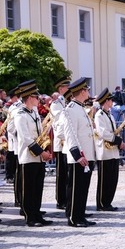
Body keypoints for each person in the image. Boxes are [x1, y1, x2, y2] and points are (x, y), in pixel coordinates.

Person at [13, 82, 53, 227]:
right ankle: (30, 217)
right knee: (29, 189)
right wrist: (41, 152)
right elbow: (25, 138)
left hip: (38, 156)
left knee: (38, 187)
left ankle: (37, 214)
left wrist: (45, 148)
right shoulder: (20, 114)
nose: (38, 99)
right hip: (28, 156)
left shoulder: (34, 112)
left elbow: (39, 133)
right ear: (30, 97)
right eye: (36, 96)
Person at [62, 78, 96, 227]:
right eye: (87, 90)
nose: (88, 92)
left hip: (87, 155)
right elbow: (70, 134)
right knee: (76, 189)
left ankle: (80, 215)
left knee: (83, 189)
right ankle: (73, 217)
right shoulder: (70, 109)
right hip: (79, 157)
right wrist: (78, 155)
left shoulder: (80, 107)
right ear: (82, 91)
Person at [93, 88, 124, 211]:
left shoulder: (109, 114)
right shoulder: (99, 115)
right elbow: (103, 133)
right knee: (104, 180)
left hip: (113, 151)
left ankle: (108, 202)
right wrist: (117, 140)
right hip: (104, 151)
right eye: (110, 100)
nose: (112, 102)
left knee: (112, 179)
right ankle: (101, 203)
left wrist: (118, 141)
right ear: (106, 101)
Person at [50, 78, 70, 210]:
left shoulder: (67, 102)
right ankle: (60, 199)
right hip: (60, 142)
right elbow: (60, 121)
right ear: (61, 88)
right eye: (66, 87)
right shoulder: (56, 104)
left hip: (68, 142)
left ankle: (68, 199)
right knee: (61, 173)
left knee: (68, 173)